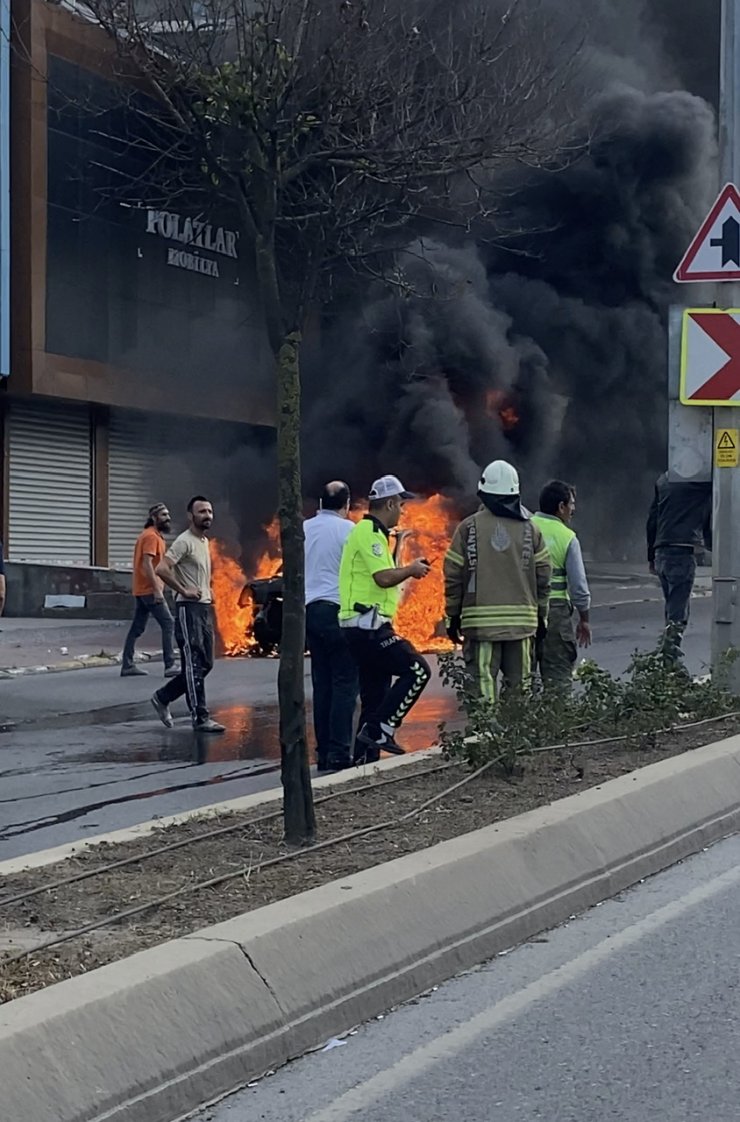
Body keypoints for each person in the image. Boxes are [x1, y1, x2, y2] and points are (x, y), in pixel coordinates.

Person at [339, 475, 432, 762]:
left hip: (368, 626)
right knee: (417, 670)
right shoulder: (367, 533)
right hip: (367, 628)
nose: (403, 511)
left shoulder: (375, 535)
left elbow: (384, 569)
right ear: (390, 503)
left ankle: (363, 762)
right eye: (401, 505)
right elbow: (384, 577)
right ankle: (383, 728)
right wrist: (412, 569)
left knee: (374, 698)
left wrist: (400, 545)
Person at [444, 460, 551, 701]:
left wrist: (452, 616)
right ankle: (514, 737)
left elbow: (453, 577)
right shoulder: (531, 529)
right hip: (522, 625)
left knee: (483, 688)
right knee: (520, 688)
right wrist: (542, 616)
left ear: (483, 493)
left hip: (480, 626)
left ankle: (486, 736)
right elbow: (544, 576)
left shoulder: (467, 528)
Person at [150, 496, 224, 733]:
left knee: (205, 664)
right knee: (193, 664)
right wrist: (183, 590)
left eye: (210, 511)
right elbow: (161, 569)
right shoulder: (184, 541)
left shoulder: (204, 541)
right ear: (190, 516)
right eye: (202, 511)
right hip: (187, 609)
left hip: (203, 608)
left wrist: (208, 589)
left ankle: (163, 696)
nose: (207, 515)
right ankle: (200, 717)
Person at [304, 481, 359, 772]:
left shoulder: (303, 529)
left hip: (310, 612)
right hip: (339, 612)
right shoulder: (349, 530)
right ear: (346, 504)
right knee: (345, 684)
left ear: (320, 502)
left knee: (322, 683)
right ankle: (339, 752)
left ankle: (323, 751)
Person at [531, 481, 591, 691]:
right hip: (555, 615)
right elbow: (578, 589)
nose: (573, 509)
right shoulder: (567, 537)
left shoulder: (523, 527)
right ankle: (556, 723)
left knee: (520, 681)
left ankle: (518, 721)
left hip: (523, 612)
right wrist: (584, 619)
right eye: (571, 504)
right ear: (561, 507)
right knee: (557, 681)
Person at [646, 471, 712, 651]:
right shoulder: (701, 482)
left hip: (661, 552)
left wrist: (651, 555)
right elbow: (710, 513)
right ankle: (669, 662)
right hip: (681, 553)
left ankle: (669, 662)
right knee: (677, 615)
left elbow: (653, 519)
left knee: (672, 609)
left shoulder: (664, 479)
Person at [120, 503, 178, 678]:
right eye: (163, 515)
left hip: (143, 589)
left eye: (168, 515)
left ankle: (127, 665)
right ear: (154, 518)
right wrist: (156, 590)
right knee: (168, 623)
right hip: (149, 590)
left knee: (137, 627)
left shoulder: (155, 536)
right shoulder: (151, 536)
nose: (168, 518)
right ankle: (170, 665)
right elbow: (146, 564)